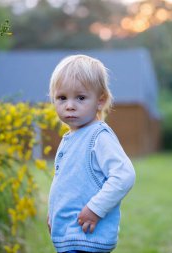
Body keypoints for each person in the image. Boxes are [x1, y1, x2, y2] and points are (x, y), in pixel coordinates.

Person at [47, 54, 136, 253]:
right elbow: (64, 182)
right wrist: (53, 213)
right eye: (62, 98)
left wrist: (95, 209)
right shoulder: (69, 138)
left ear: (100, 101)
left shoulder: (99, 136)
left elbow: (124, 175)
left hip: (87, 235)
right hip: (70, 235)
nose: (69, 105)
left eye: (80, 97)